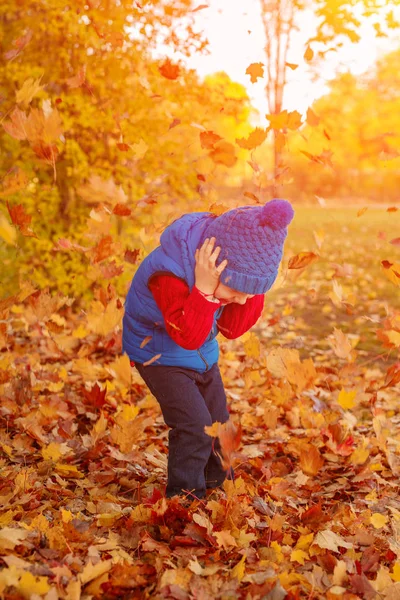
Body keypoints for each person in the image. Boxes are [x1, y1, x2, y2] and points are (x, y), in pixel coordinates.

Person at [122, 198, 294, 501]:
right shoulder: (169, 274)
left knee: (218, 423)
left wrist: (251, 290)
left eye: (247, 295)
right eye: (237, 292)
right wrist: (202, 291)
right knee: (195, 426)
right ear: (215, 271)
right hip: (159, 354)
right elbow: (186, 336)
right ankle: (185, 500)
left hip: (201, 350)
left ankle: (220, 487)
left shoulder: (230, 279)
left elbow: (229, 329)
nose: (241, 300)